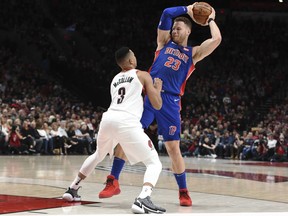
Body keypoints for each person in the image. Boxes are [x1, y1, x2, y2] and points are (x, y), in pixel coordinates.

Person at [98, 3, 222, 207]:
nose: (174, 30)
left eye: (178, 28)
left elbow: (216, 39)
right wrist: (187, 8)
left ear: (188, 31)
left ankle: (183, 191)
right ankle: (113, 180)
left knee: (173, 148)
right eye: (173, 28)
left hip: (171, 102)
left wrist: (210, 20)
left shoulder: (193, 54)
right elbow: (166, 13)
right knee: (127, 133)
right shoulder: (163, 43)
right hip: (148, 96)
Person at [62, 47, 166, 214]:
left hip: (108, 119)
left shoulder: (115, 78)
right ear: (131, 61)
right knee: (154, 163)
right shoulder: (142, 75)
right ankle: (143, 199)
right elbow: (157, 105)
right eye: (134, 55)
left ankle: (72, 188)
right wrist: (157, 88)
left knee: (98, 154)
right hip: (127, 122)